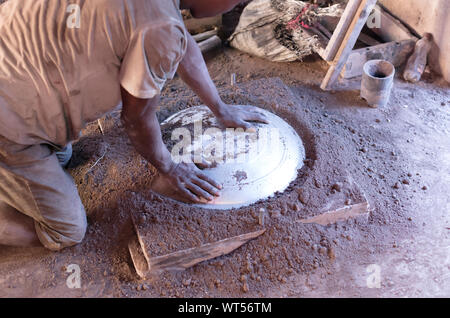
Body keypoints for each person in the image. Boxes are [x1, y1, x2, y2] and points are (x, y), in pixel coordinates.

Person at [0, 0, 266, 250]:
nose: (234, 6)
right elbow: (136, 119)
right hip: (10, 125)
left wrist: (220, 108)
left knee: (62, 157)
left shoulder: (161, 15)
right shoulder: (160, 27)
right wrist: (170, 168)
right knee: (67, 231)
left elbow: (181, 44)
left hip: (14, 68)